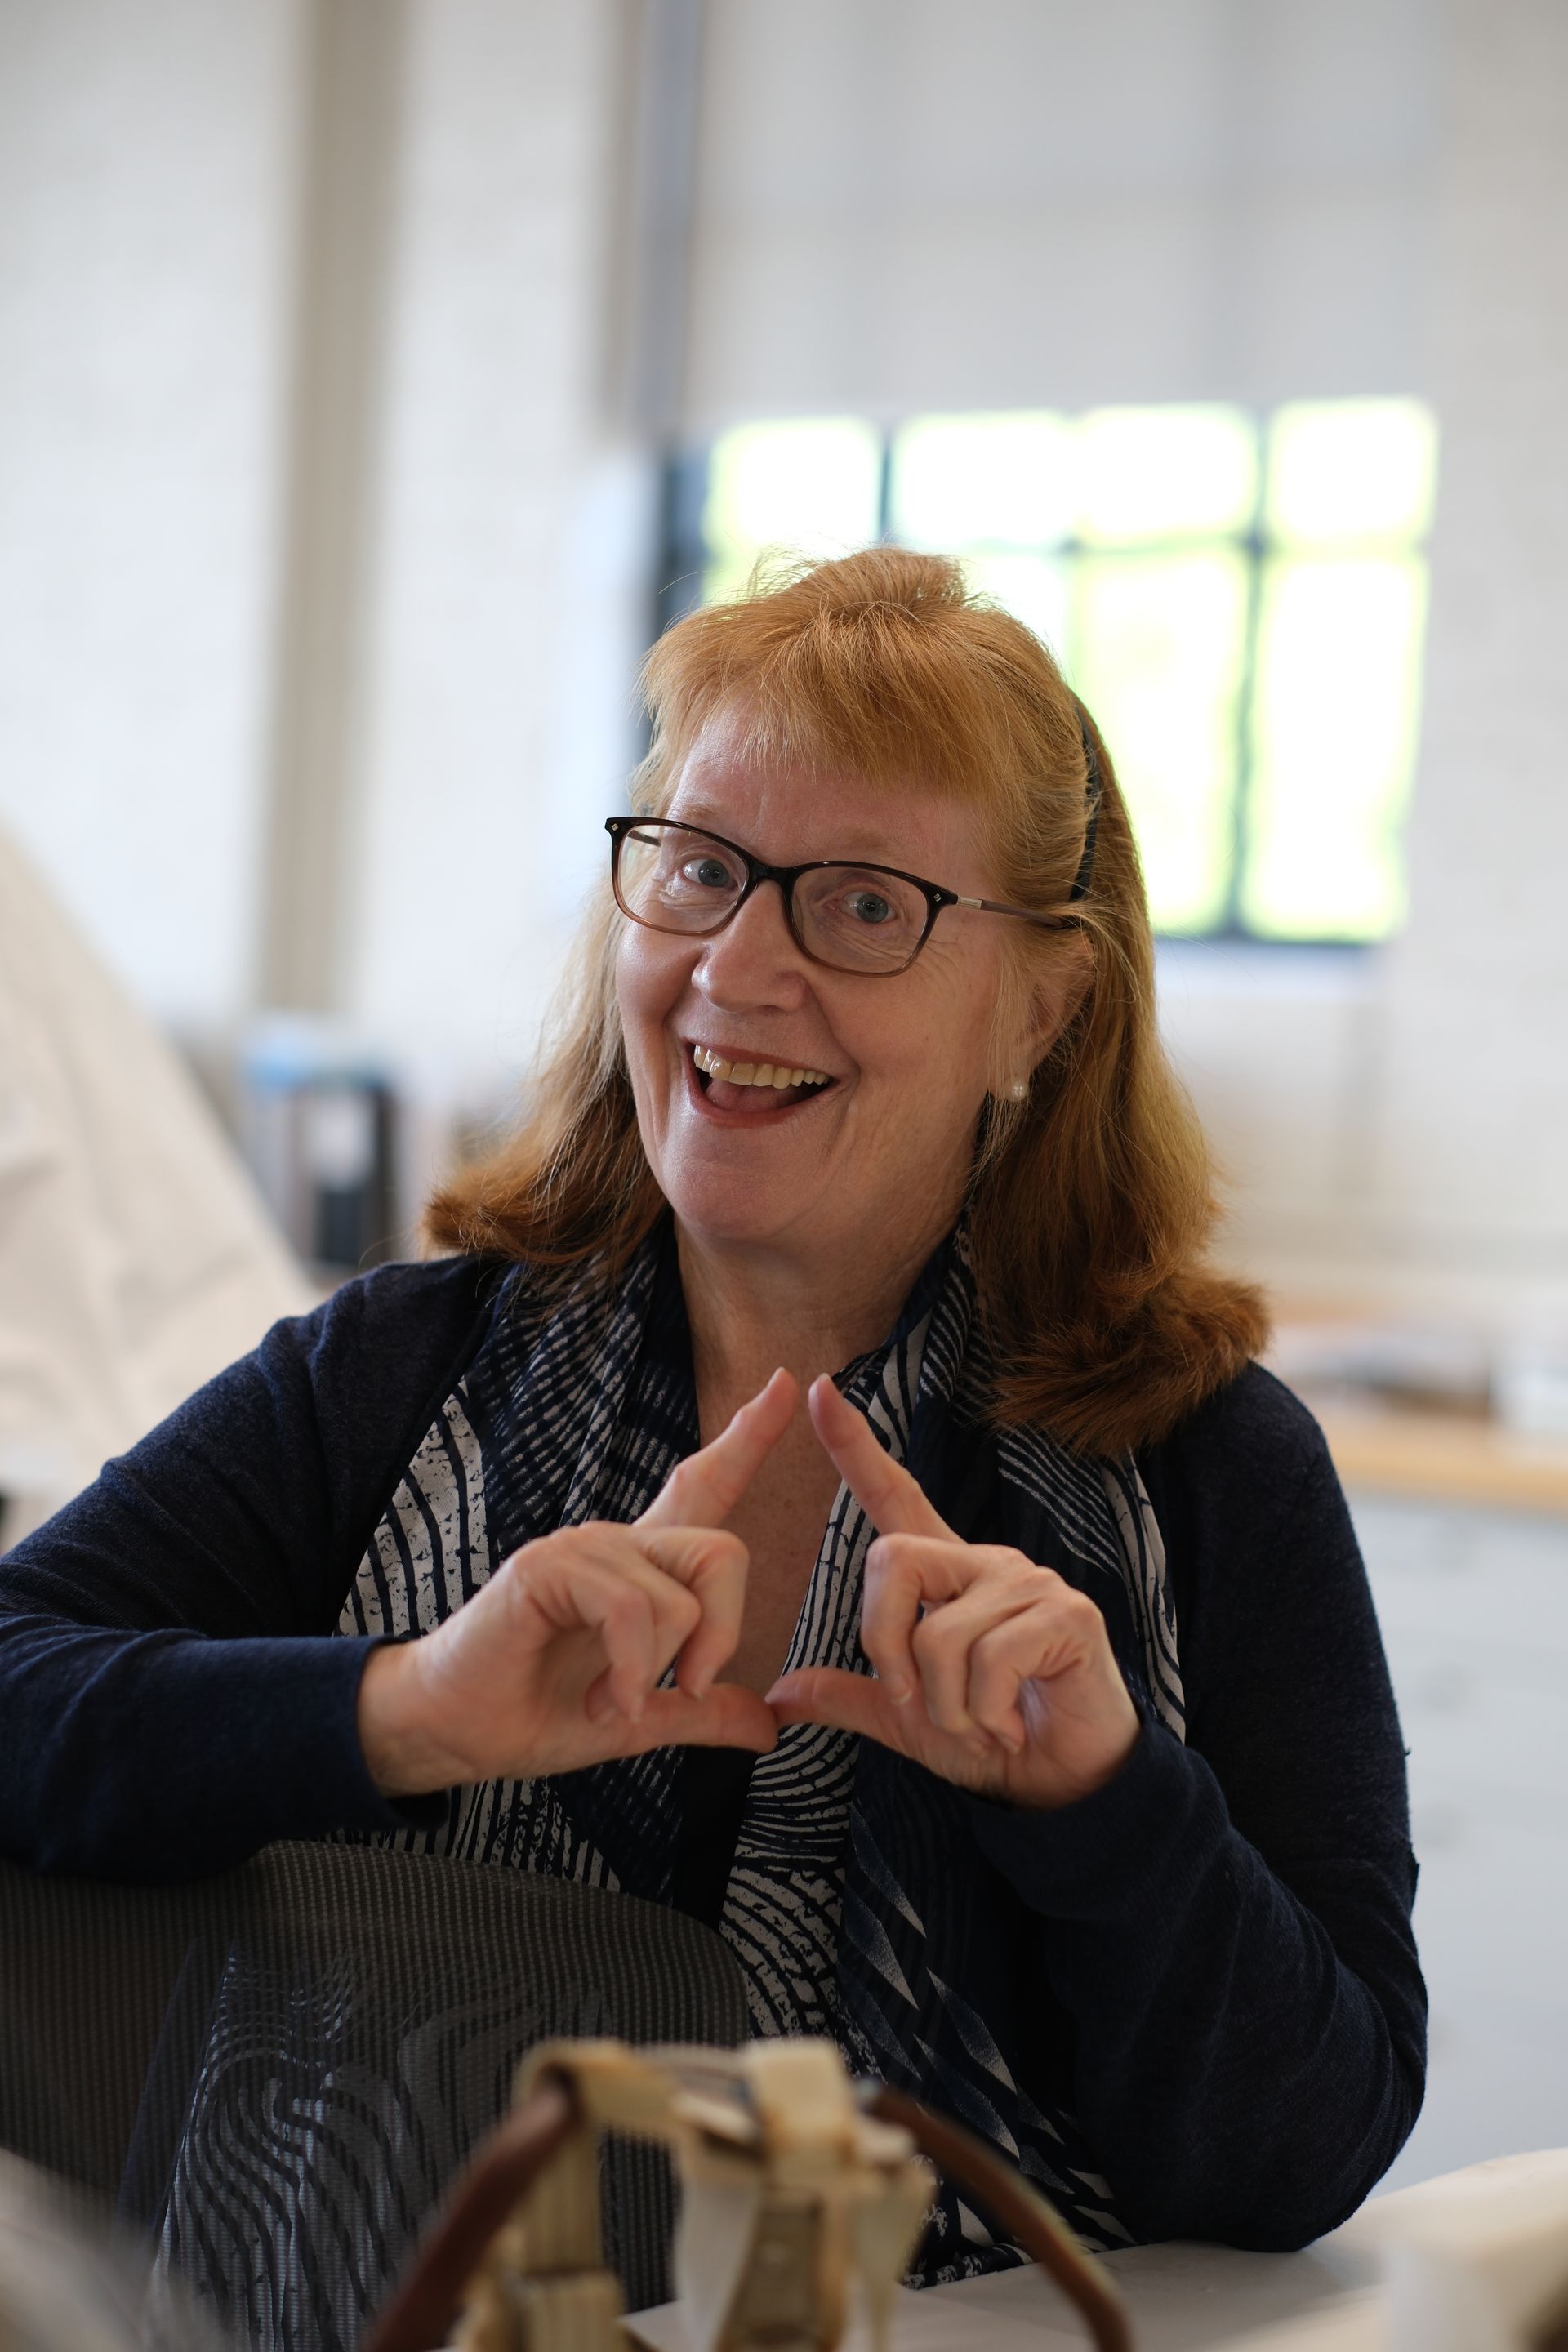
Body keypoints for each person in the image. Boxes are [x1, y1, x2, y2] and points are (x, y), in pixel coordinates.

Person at [0, 549, 1423, 2281]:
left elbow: (1313, 2148)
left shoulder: (1211, 1470)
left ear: (1039, 1009)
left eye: (865, 904)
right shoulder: (388, 1378)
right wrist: (407, 1709)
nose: (738, 970)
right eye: (698, 870)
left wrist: (1110, 1805)